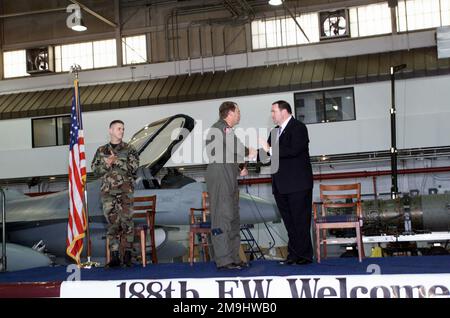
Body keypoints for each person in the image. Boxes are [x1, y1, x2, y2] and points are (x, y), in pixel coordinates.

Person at [259, 100, 314, 265]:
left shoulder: (298, 128)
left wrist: (269, 150)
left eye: (273, 111)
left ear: (284, 112)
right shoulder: (274, 132)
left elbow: (294, 150)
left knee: (300, 221)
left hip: (298, 184)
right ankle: (293, 255)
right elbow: (267, 158)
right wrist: (256, 155)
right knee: (289, 223)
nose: (272, 115)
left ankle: (304, 256)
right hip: (280, 185)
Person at [205, 101, 257, 270]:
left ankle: (234, 257)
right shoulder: (222, 128)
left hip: (228, 174)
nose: (240, 114)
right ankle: (224, 260)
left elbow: (230, 154)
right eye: (238, 111)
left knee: (233, 217)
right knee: (223, 217)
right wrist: (253, 151)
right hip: (220, 177)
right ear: (231, 112)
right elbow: (238, 149)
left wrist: (240, 168)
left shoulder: (224, 129)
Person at [91, 120, 140, 268]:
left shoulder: (130, 149)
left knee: (127, 223)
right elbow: (95, 171)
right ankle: (114, 257)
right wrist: (106, 163)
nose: (121, 131)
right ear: (110, 130)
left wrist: (115, 161)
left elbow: (134, 168)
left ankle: (127, 256)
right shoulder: (101, 150)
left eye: (123, 129)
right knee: (112, 225)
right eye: (119, 128)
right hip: (108, 193)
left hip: (126, 191)